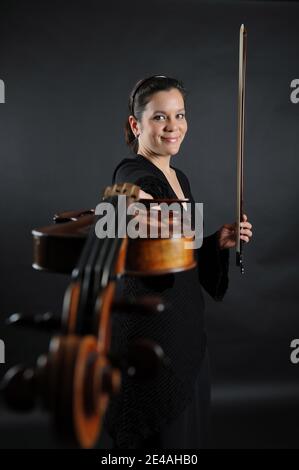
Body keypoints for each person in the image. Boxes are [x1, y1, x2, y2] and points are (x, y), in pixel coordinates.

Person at [103, 75, 253, 449]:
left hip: (185, 328)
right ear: (137, 125)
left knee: (187, 435)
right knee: (157, 438)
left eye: (180, 114)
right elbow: (125, 197)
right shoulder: (131, 170)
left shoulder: (179, 177)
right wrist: (134, 208)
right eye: (159, 117)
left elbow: (178, 252)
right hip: (152, 331)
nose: (174, 126)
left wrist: (215, 243)